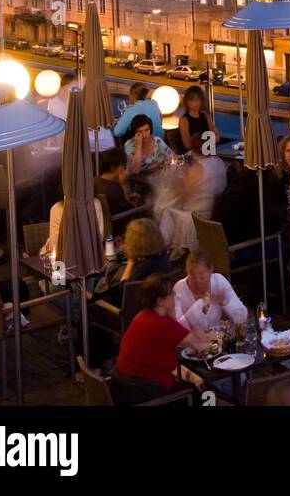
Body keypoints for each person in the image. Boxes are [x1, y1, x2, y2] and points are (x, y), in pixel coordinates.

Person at [109, 273, 209, 405]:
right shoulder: (163, 324)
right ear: (160, 301)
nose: (175, 296)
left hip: (120, 386)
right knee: (206, 393)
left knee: (187, 383)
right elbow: (203, 345)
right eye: (171, 294)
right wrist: (200, 309)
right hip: (145, 393)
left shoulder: (142, 316)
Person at [153, 132, 228, 255]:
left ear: (193, 148)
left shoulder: (197, 167)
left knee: (165, 210)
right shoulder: (219, 161)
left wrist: (173, 175)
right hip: (215, 213)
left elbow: (183, 193)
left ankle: (163, 250)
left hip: (197, 218)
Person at [172, 249, 247, 330]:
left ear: (211, 269)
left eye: (201, 275)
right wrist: (201, 303)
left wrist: (226, 302)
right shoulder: (179, 288)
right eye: (192, 275)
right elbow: (177, 328)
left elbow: (242, 317)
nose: (197, 280)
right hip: (193, 340)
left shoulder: (219, 281)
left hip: (218, 338)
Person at [124, 115, 172, 183]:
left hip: (156, 180)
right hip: (135, 182)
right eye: (140, 132)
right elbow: (135, 171)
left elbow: (172, 157)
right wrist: (138, 146)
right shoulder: (129, 145)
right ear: (134, 134)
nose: (144, 135)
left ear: (150, 130)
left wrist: (159, 165)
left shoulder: (157, 141)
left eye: (146, 130)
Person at [94, 148, 138, 219]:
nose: (125, 170)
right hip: (118, 224)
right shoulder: (114, 190)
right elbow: (131, 210)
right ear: (113, 168)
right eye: (123, 167)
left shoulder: (94, 181)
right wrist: (123, 184)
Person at [178, 87, 217, 153]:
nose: (195, 103)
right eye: (192, 100)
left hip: (209, 152)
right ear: (186, 102)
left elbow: (216, 138)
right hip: (193, 155)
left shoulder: (207, 117)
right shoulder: (184, 120)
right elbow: (188, 145)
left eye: (198, 99)